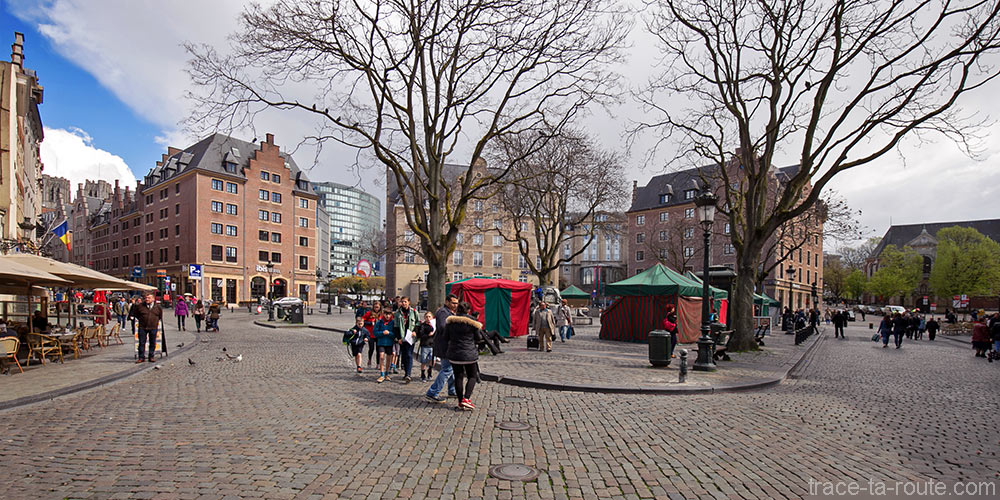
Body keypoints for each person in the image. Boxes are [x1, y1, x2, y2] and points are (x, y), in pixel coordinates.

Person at [445, 302, 483, 411]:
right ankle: (466, 398)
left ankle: (460, 400)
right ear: (468, 311)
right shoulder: (473, 322)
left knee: (458, 376)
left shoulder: (450, 322)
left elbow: (446, 336)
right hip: (469, 354)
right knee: (472, 376)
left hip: (454, 353)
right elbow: (478, 337)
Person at [426, 294, 459, 403]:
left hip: (449, 345)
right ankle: (432, 392)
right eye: (453, 303)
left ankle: (452, 390)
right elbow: (442, 327)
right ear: (447, 302)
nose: (455, 305)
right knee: (447, 369)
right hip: (444, 345)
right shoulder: (443, 312)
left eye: (457, 303)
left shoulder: (450, 312)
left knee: (452, 368)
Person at [393, 296, 420, 383]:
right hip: (402, 336)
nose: (403, 303)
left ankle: (408, 374)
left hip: (410, 336)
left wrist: (415, 331)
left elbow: (418, 323)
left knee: (409, 354)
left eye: (405, 301)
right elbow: (396, 326)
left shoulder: (414, 312)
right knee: (404, 355)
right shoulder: (397, 313)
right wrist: (398, 338)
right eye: (402, 302)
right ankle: (406, 372)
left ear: (409, 302)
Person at [130, 291, 162, 363]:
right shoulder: (140, 306)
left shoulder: (158, 307)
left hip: (153, 327)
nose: (147, 299)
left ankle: (151, 356)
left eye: (149, 298)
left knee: (152, 342)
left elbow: (160, 316)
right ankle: (141, 357)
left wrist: (154, 321)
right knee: (141, 343)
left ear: (153, 299)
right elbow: (136, 314)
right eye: (146, 298)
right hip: (142, 327)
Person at [373, 307, 396, 383]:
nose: (387, 316)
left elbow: (395, 334)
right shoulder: (379, 322)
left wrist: (389, 333)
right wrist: (382, 333)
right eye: (386, 314)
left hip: (389, 343)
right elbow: (375, 332)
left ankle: (386, 373)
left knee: (389, 358)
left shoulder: (393, 323)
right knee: (381, 357)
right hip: (381, 342)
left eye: (389, 314)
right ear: (383, 314)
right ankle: (382, 374)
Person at [362, 301, 383, 368]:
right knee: (371, 348)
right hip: (371, 334)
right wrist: (370, 323)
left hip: (379, 334)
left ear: (380, 307)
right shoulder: (369, 313)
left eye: (377, 307)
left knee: (378, 349)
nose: (376, 308)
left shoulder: (382, 314)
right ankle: (369, 359)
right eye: (375, 307)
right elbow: (362, 321)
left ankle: (378, 363)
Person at [416, 311, 436, 381]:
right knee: (423, 361)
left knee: (433, 360)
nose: (428, 318)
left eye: (429, 317)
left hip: (433, 345)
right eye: (426, 317)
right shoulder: (423, 325)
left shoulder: (434, 325)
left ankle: (430, 370)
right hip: (425, 345)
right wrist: (428, 335)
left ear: (432, 317)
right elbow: (421, 335)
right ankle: (423, 374)